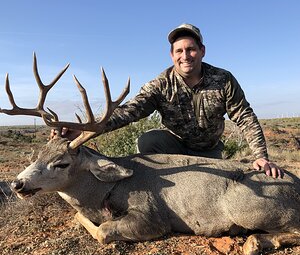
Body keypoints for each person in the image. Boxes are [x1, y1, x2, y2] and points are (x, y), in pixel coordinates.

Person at [57, 23, 283, 178]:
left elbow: (244, 117)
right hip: (172, 149)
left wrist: (261, 158)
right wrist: (82, 130)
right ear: (172, 55)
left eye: (191, 49)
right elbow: (129, 112)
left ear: (202, 51)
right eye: (179, 51)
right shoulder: (161, 84)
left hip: (209, 151)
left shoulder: (223, 79)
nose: (185, 56)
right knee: (148, 141)